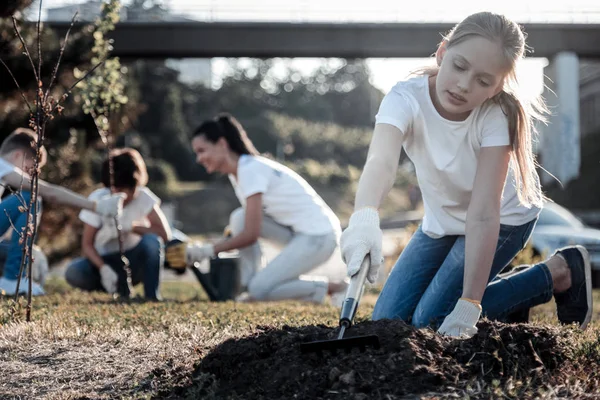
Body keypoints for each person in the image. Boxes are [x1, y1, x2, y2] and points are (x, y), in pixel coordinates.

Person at [340, 11, 592, 338]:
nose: (464, 85)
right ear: (442, 52)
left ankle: (559, 272)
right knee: (388, 322)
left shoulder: (495, 116)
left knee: (429, 322)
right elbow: (381, 161)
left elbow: (485, 212)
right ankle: (508, 299)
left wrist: (471, 303)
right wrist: (365, 216)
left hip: (502, 220)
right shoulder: (404, 98)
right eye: (460, 66)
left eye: (483, 81)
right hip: (442, 222)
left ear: (497, 86)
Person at [166, 114, 347, 304]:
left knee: (260, 288)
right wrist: (224, 241)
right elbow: (250, 225)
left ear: (221, 143)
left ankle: (336, 287)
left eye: (202, 150)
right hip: (297, 234)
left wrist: (205, 251)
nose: (199, 158)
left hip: (319, 237)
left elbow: (250, 234)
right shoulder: (239, 172)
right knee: (239, 218)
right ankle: (248, 284)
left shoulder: (249, 169)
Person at [0, 128, 124, 296]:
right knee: (30, 197)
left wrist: (29, 249)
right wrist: (96, 206)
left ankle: (15, 275)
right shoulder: (2, 166)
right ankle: (13, 278)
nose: (29, 175)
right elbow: (50, 192)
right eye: (28, 169)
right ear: (17, 155)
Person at [65, 148, 171, 301]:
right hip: (107, 261)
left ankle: (152, 295)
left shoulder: (144, 197)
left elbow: (164, 235)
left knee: (152, 242)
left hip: (134, 260)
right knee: (74, 271)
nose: (124, 195)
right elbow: (87, 244)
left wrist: (132, 227)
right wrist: (103, 268)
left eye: (129, 190)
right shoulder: (98, 199)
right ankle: (112, 286)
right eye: (118, 189)